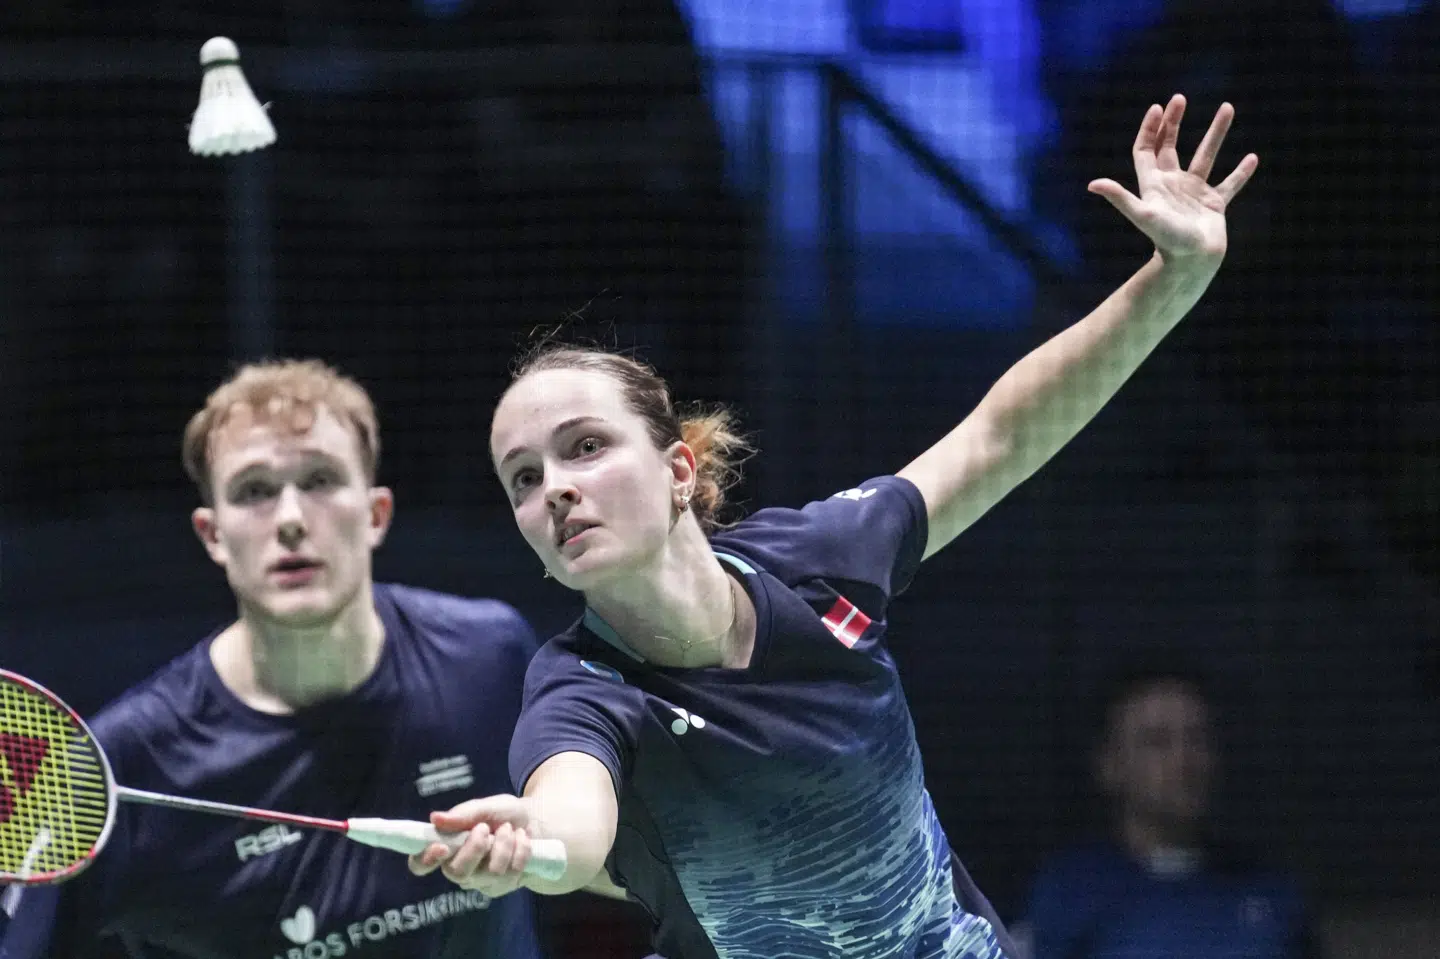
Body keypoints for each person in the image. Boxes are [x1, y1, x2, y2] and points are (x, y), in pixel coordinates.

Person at [410, 94, 1259, 959]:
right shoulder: (581, 689)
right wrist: (528, 839)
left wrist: (1175, 279)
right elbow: (572, 823)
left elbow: (1001, 434)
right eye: (524, 478)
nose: (555, 488)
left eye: (585, 446)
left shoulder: (817, 562)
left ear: (678, 472)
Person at [0, 360, 545, 959]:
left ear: (375, 515)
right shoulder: (125, 764)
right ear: (212, 534)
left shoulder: (490, 657)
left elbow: (597, 849)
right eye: (254, 491)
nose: (290, 520)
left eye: (319, 480)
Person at [1020, 657, 1322, 959]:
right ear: (1110, 765)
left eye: (1197, 739)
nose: (1183, 761)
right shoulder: (1069, 894)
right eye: (1158, 742)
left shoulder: (1271, 895)